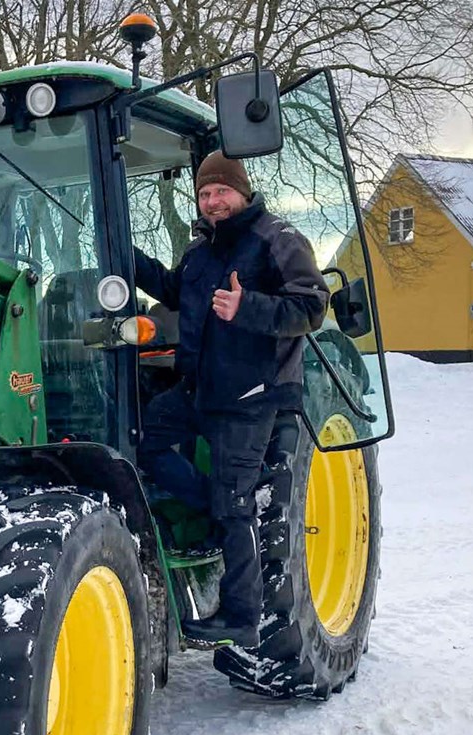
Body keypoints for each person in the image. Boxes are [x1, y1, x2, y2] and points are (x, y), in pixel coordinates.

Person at [134, 151, 329, 650]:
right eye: (204, 193)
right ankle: (209, 504)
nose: (213, 201)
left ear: (242, 191)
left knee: (237, 505)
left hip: (250, 396)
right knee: (145, 438)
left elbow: (312, 306)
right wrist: (124, 256)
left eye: (221, 190)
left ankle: (241, 616)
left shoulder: (276, 238)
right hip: (200, 390)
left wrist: (248, 306)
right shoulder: (201, 252)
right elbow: (174, 290)